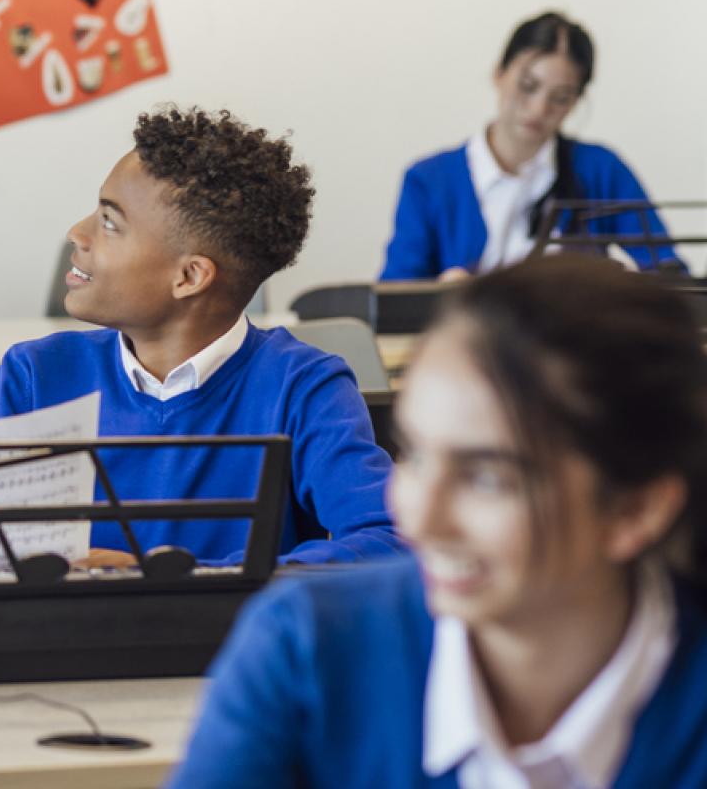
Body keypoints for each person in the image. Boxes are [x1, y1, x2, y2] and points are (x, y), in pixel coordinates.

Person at [172, 254, 707, 788]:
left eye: (488, 478)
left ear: (636, 509)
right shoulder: (306, 648)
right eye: (417, 456)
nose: (421, 519)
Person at [0, 107, 401, 567]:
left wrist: (173, 579)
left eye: (110, 222)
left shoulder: (302, 385)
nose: (77, 234)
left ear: (189, 277)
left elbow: (392, 540)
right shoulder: (36, 376)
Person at [380, 11, 684, 280]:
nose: (539, 109)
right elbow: (393, 300)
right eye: (528, 86)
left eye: (560, 97)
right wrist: (439, 296)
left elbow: (669, 272)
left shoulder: (601, 170)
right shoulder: (429, 181)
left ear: (576, 101)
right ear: (499, 74)